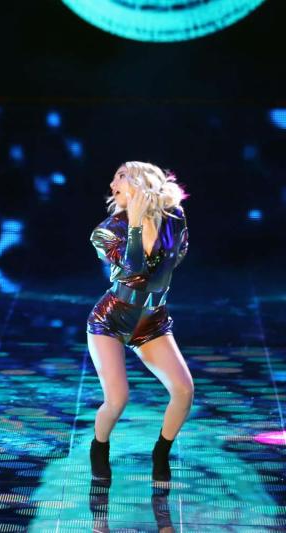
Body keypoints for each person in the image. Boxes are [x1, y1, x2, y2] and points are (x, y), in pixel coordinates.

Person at [86, 161, 192, 483]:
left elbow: (175, 259)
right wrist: (134, 225)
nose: (112, 183)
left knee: (184, 391)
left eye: (120, 176)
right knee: (118, 399)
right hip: (110, 320)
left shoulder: (174, 218)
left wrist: (150, 225)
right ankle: (99, 447)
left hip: (152, 321)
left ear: (141, 181)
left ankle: (161, 451)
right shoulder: (107, 231)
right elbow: (134, 269)